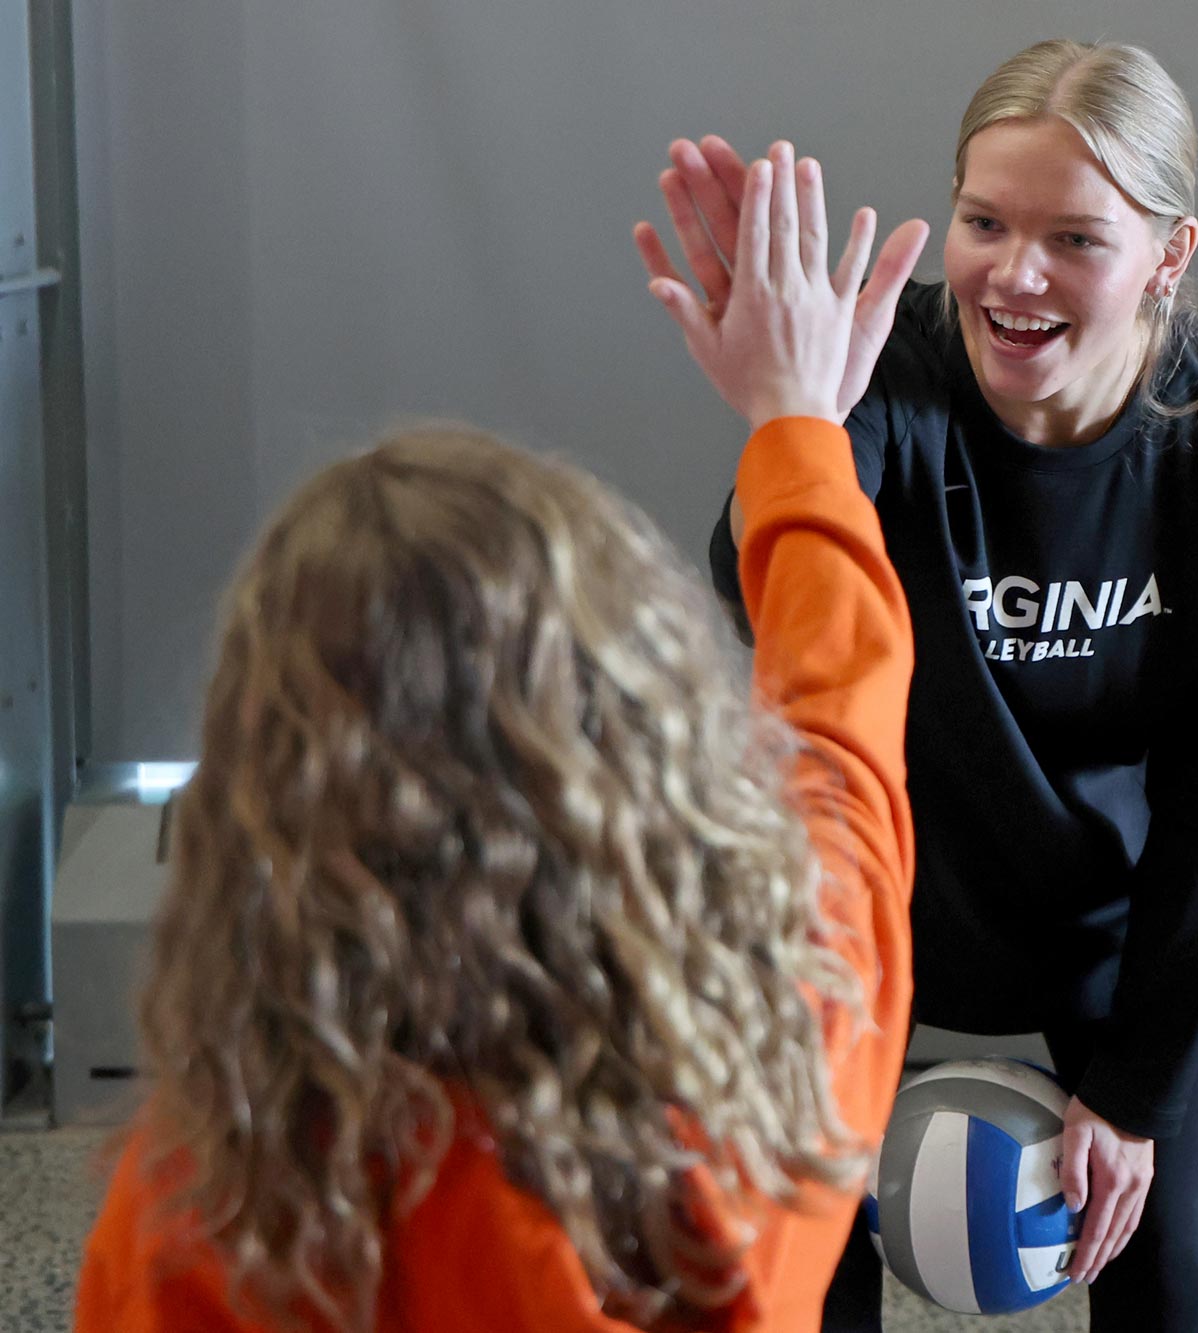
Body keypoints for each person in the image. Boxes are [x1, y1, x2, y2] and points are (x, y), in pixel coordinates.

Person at [75, 149, 928, 1331]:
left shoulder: (202, 1215)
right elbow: (845, 737)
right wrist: (795, 426)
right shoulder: (792, 1031)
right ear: (637, 714)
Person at [638, 39, 1198, 1332]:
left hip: (1106, 935)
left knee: (1159, 1277)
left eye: (1075, 238)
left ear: (1168, 256)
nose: (1015, 273)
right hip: (867, 908)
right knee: (793, 1284)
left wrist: (1132, 1097)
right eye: (984, 222)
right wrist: (796, 411)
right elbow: (759, 582)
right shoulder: (886, 374)